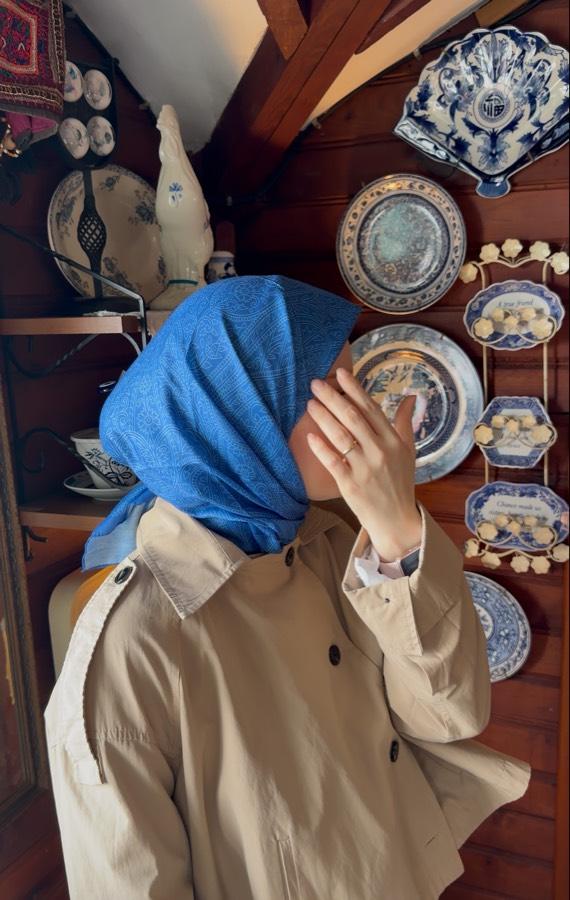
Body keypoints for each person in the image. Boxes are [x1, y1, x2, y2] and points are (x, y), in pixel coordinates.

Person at [43, 275, 531, 900]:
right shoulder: (130, 644)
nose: (368, 421)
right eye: (338, 395)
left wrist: (398, 530)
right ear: (245, 419)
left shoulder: (330, 545)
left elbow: (450, 713)